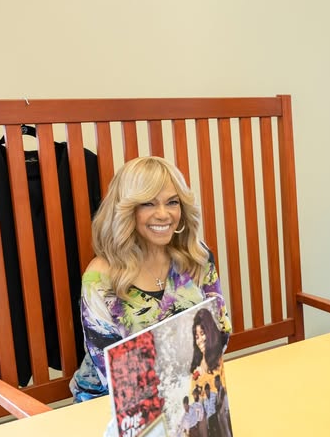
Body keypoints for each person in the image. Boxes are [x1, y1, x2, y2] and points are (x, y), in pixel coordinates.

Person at [70, 156, 232, 402]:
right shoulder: (100, 277)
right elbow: (112, 375)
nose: (163, 214)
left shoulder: (196, 256)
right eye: (148, 204)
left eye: (172, 202)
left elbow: (220, 332)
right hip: (111, 404)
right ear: (127, 210)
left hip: (189, 392)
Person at [190, 307, 228, 395]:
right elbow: (193, 397)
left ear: (210, 332)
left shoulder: (222, 357)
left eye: (202, 334)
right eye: (197, 337)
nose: (200, 340)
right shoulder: (196, 370)